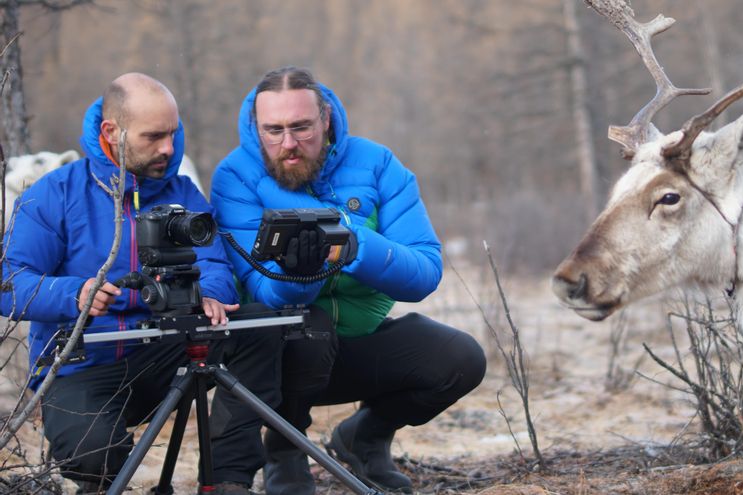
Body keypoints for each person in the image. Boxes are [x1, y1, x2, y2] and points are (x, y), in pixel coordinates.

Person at [0, 73, 280, 495]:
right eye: (153, 137)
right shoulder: (53, 194)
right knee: (95, 457)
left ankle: (227, 478)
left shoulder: (182, 192)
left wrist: (211, 294)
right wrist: (74, 294)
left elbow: (213, 263)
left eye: (173, 134)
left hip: (164, 351)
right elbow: (9, 283)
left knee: (258, 327)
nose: (168, 148)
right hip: (81, 363)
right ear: (112, 131)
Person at [211, 66, 487, 494]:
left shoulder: (377, 163)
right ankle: (285, 450)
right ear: (256, 127)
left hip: (360, 340)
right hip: (281, 358)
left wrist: (354, 246)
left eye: (301, 127)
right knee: (308, 325)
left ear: (325, 119)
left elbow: (425, 272)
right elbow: (260, 288)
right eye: (274, 130)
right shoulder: (236, 176)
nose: (288, 143)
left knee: (460, 359)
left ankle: (365, 436)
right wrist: (299, 273)